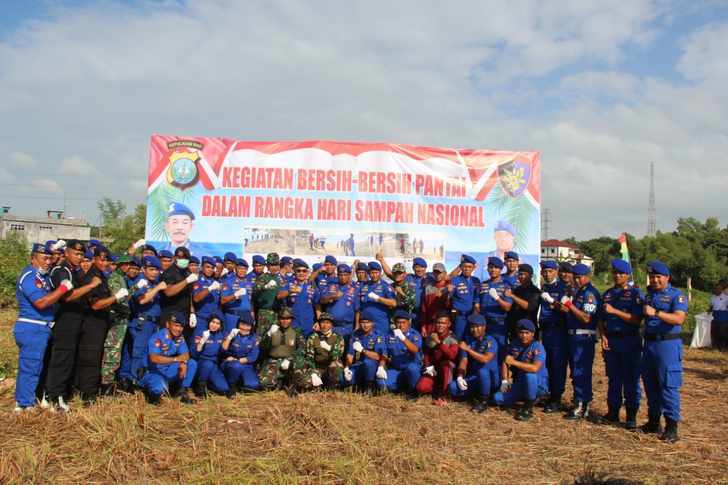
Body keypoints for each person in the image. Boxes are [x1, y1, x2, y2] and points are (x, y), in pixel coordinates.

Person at [13, 243, 71, 412]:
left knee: (36, 366)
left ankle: (28, 399)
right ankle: (24, 403)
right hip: (32, 326)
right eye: (44, 258)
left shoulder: (41, 277)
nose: (48, 262)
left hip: (41, 327)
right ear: (33, 258)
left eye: (49, 258)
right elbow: (41, 302)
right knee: (30, 366)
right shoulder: (30, 276)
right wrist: (62, 289)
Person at [45, 240, 101, 411]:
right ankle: (54, 396)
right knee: (61, 359)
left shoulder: (73, 272)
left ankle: (61, 394)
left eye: (82, 254)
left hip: (75, 322)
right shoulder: (61, 271)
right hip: (64, 322)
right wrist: (91, 285)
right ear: (67, 253)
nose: (79, 257)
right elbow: (67, 296)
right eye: (76, 254)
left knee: (68, 360)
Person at [641, 260, 687, 443]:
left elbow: (679, 319)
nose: (655, 280)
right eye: (652, 277)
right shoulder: (649, 295)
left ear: (667, 277)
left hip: (667, 345)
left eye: (658, 276)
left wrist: (657, 313)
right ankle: (653, 421)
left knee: (668, 386)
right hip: (650, 345)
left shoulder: (677, 296)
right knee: (650, 384)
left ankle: (671, 426)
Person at [76, 246, 129, 404]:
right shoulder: (93, 277)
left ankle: (92, 390)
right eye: (102, 259)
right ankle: (87, 394)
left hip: (100, 322)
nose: (105, 262)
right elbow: (96, 305)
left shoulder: (102, 276)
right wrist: (116, 298)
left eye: (107, 260)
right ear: (94, 259)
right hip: (92, 323)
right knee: (90, 359)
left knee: (97, 357)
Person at [599, 259, 644, 428]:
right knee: (614, 379)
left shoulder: (635, 294)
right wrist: (603, 335)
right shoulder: (608, 294)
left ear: (627, 275)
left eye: (621, 274)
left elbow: (636, 320)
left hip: (629, 340)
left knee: (631, 379)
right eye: (615, 273)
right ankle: (613, 412)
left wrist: (615, 311)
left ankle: (631, 416)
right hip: (612, 341)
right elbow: (601, 319)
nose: (617, 276)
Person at [119, 256, 167, 389]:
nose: (154, 272)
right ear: (144, 269)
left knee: (137, 352)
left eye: (157, 270)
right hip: (142, 322)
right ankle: (133, 381)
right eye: (151, 269)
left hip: (151, 323)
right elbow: (141, 300)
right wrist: (157, 288)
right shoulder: (141, 281)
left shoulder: (153, 281)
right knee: (138, 353)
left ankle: (127, 379)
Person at [561, 263, 601, 420]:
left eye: (580, 277)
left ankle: (582, 405)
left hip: (584, 337)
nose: (577, 280)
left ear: (587, 276)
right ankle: (578, 401)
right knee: (576, 372)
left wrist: (570, 305)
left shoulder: (590, 294)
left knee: (581, 371)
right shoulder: (579, 292)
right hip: (574, 336)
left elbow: (586, 317)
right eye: (575, 277)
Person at [493, 319, 548, 421]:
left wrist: (514, 362)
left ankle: (528, 407)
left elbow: (535, 368)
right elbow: (505, 361)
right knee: (497, 398)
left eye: (527, 333)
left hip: (537, 384)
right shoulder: (514, 344)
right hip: (521, 384)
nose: (524, 336)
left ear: (532, 334)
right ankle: (526, 397)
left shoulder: (538, 347)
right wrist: (505, 381)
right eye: (521, 333)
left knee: (530, 375)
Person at [138, 312, 197, 405]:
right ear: (167, 324)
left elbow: (186, 354)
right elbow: (154, 358)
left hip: (167, 370)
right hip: (153, 372)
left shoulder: (179, 338)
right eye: (176, 325)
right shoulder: (158, 337)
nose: (179, 329)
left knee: (192, 363)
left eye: (181, 327)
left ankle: (182, 392)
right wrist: (176, 359)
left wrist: (184, 362)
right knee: (159, 389)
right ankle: (149, 391)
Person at [449, 314, 499, 413]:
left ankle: (484, 401)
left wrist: (468, 350)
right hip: (476, 377)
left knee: (482, 370)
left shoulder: (490, 341)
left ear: (484, 327)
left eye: (477, 327)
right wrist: (460, 376)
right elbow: (464, 360)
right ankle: (476, 394)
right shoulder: (468, 340)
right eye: (472, 327)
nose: (474, 330)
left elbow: (485, 359)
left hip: (491, 378)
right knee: (453, 387)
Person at [99, 253, 134, 393]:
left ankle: (109, 382)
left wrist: (135, 288)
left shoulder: (122, 278)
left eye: (128, 265)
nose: (127, 267)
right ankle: (106, 384)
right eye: (124, 264)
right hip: (116, 320)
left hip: (122, 320)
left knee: (116, 352)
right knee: (112, 352)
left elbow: (125, 297)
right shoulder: (114, 278)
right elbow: (118, 299)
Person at [538, 260, 570, 413]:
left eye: (550, 271)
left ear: (556, 271)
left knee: (557, 364)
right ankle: (549, 394)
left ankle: (556, 398)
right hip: (546, 331)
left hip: (558, 332)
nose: (547, 274)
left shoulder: (563, 288)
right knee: (548, 364)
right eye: (544, 271)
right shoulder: (544, 287)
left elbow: (566, 309)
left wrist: (552, 301)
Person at [258, 307, 306, 394]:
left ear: (291, 320)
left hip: (290, 361)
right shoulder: (272, 329)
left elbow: (302, 349)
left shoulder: (296, 332)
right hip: (274, 361)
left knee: (302, 381)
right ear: (279, 319)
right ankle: (279, 381)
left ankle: (291, 382)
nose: (285, 321)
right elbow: (263, 347)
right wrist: (269, 335)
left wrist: (290, 358)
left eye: (288, 319)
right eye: (282, 318)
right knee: (263, 383)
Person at [416, 311, 459, 405]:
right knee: (421, 387)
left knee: (447, 365)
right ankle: (434, 390)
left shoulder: (452, 338)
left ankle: (444, 394)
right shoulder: (432, 335)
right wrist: (428, 365)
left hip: (446, 370)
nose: (440, 325)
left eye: (443, 323)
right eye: (438, 323)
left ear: (449, 324)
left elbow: (452, 355)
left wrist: (439, 343)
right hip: (433, 369)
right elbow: (427, 353)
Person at [378, 310, 422, 399]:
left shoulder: (415, 334)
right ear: (394, 323)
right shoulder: (389, 335)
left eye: (403, 322)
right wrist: (381, 366)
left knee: (412, 369)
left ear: (409, 322)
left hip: (410, 368)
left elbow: (415, 349)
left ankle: (413, 391)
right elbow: (385, 352)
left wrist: (403, 338)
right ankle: (401, 386)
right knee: (381, 383)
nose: (401, 325)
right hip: (396, 369)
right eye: (398, 322)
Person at [479, 257, 513, 364]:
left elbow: (508, 307)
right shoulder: (483, 284)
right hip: (484, 324)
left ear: (501, 270)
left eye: (496, 268)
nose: (493, 270)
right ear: (488, 269)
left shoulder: (506, 286)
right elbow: (476, 304)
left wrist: (497, 298)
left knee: (500, 354)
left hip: (499, 324)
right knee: (483, 352)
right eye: (491, 267)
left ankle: (501, 380)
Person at [299, 313, 346, 390]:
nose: (325, 325)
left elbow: (337, 357)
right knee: (305, 383)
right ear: (319, 323)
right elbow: (309, 358)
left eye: (327, 323)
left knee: (336, 365)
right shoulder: (313, 337)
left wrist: (329, 348)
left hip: (330, 367)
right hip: (317, 367)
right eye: (322, 322)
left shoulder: (338, 337)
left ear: (331, 324)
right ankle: (318, 385)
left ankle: (332, 386)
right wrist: (313, 371)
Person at [160, 246, 198, 334]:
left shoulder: (187, 272)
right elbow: (168, 292)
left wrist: (192, 313)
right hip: (170, 314)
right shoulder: (169, 272)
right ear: (174, 258)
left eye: (185, 258)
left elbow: (190, 294)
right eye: (180, 257)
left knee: (182, 344)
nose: (183, 259)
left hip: (185, 314)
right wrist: (186, 281)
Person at [277, 259, 320, 337]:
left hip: (308, 324)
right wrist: (289, 292)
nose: (301, 273)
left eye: (304, 271)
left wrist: (319, 321)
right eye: (299, 271)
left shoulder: (312, 286)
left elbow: (317, 305)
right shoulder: (289, 283)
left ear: (307, 272)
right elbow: (279, 296)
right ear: (295, 272)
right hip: (293, 324)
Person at [344, 315, 386, 395]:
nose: (365, 325)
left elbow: (380, 356)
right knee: (344, 379)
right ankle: (356, 385)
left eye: (368, 322)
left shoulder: (378, 335)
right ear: (359, 323)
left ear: (372, 323)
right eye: (363, 322)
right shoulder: (355, 334)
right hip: (359, 364)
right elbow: (350, 354)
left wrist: (363, 350)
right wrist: (347, 368)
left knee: (368, 362)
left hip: (373, 365)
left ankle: (369, 387)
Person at [191, 314, 230, 397]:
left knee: (223, 388)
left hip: (213, 363)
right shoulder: (201, 332)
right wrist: (202, 341)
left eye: (217, 323)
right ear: (209, 322)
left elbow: (223, 351)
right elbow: (194, 353)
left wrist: (229, 338)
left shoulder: (221, 334)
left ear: (220, 325)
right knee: (207, 364)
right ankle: (199, 387)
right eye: (213, 322)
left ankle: (208, 384)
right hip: (201, 362)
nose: (214, 325)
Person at [319, 263, 359, 340]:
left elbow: (357, 310)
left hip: (347, 326)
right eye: (340, 275)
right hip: (331, 326)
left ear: (349, 275)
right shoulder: (331, 286)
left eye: (345, 275)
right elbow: (321, 301)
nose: (343, 277)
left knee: (346, 349)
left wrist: (357, 325)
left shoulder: (355, 289)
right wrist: (332, 296)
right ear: (337, 275)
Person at [221, 314, 261, 392]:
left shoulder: (254, 338)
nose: (244, 328)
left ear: (251, 326)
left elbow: (253, 356)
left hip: (245, 363)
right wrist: (229, 337)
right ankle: (231, 384)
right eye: (242, 324)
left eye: (248, 325)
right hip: (229, 363)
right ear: (238, 324)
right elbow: (223, 350)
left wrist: (238, 361)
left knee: (253, 385)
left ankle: (239, 381)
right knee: (236, 366)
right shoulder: (232, 333)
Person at [358, 261, 397, 336]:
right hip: (365, 324)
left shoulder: (385, 286)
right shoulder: (363, 285)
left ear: (380, 273)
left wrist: (378, 298)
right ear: (369, 273)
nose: (374, 275)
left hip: (380, 323)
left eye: (376, 272)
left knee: (380, 345)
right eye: (372, 273)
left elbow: (394, 303)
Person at [253, 253, 286, 337]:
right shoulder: (262, 277)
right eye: (271, 265)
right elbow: (255, 293)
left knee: (277, 338)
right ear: (267, 266)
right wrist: (265, 287)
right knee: (262, 337)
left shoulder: (281, 278)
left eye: (276, 265)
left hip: (278, 313)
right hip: (265, 313)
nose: (274, 267)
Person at [449, 254, 480, 340]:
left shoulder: (476, 281)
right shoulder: (455, 280)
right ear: (461, 267)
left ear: (474, 268)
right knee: (458, 339)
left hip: (472, 316)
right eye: (464, 266)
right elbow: (449, 296)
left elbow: (477, 297)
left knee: (471, 340)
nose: (467, 269)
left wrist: (476, 307)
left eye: (469, 267)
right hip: (459, 317)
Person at [505, 264, 540, 341]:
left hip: (528, 330)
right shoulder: (517, 290)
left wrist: (512, 296)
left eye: (524, 274)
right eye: (519, 274)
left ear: (531, 276)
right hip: (515, 329)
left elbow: (530, 307)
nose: (521, 276)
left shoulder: (535, 291)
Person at [220, 258, 254, 333]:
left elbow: (250, 301)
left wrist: (252, 313)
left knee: (243, 341)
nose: (242, 271)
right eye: (240, 268)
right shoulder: (228, 281)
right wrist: (235, 295)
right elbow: (222, 300)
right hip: (233, 316)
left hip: (246, 316)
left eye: (244, 269)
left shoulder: (249, 283)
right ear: (235, 269)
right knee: (230, 339)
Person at [191, 256, 222, 332]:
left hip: (213, 320)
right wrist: (209, 288)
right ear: (202, 267)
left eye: (212, 268)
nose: (210, 270)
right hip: (201, 318)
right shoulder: (197, 280)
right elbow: (196, 298)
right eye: (207, 267)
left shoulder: (213, 281)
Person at [420, 262, 449, 336]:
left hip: (444, 325)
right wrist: (423, 325)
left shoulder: (449, 287)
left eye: (439, 272)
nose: (437, 275)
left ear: (445, 273)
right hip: (430, 324)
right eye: (435, 272)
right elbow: (424, 309)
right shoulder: (428, 288)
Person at [709, 281, 728, 349]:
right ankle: (715, 346)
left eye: (718, 289)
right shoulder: (712, 297)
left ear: (721, 290)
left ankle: (723, 346)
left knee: (722, 333)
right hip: (714, 317)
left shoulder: (726, 297)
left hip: (724, 318)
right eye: (715, 288)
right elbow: (711, 306)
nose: (716, 290)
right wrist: (708, 312)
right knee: (714, 332)